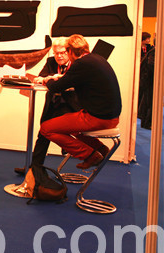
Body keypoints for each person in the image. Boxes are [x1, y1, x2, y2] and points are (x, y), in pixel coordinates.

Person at [38, 34, 122, 169]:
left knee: (46, 128)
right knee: (71, 127)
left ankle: (90, 155)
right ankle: (101, 149)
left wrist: (48, 80)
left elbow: (55, 88)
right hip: (111, 116)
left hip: (96, 118)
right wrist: (59, 78)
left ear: (70, 51)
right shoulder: (96, 59)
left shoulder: (81, 64)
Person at [14, 37, 80, 174]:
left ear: (69, 52)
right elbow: (39, 78)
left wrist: (53, 79)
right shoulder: (50, 61)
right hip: (52, 103)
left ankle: (70, 146)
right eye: (56, 53)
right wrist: (52, 78)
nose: (59, 56)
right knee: (42, 135)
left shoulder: (77, 63)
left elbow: (74, 82)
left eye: (62, 53)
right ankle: (34, 168)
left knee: (51, 130)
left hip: (71, 105)